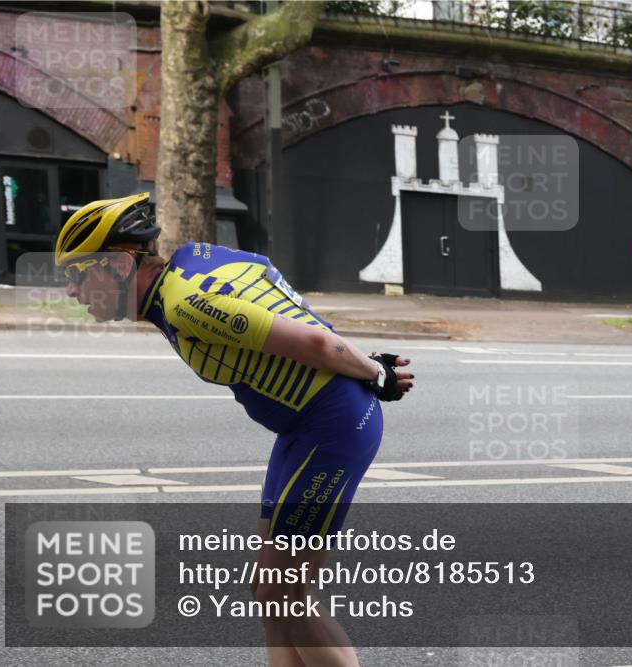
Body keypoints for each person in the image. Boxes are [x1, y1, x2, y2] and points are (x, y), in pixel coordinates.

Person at [55, 192, 413, 667]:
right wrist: (367, 364)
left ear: (120, 265)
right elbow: (287, 307)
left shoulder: (186, 304)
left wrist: (374, 372)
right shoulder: (195, 261)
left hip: (331, 428)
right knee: (271, 594)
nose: (72, 292)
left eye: (77, 275)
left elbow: (312, 340)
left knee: (287, 593)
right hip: (306, 428)